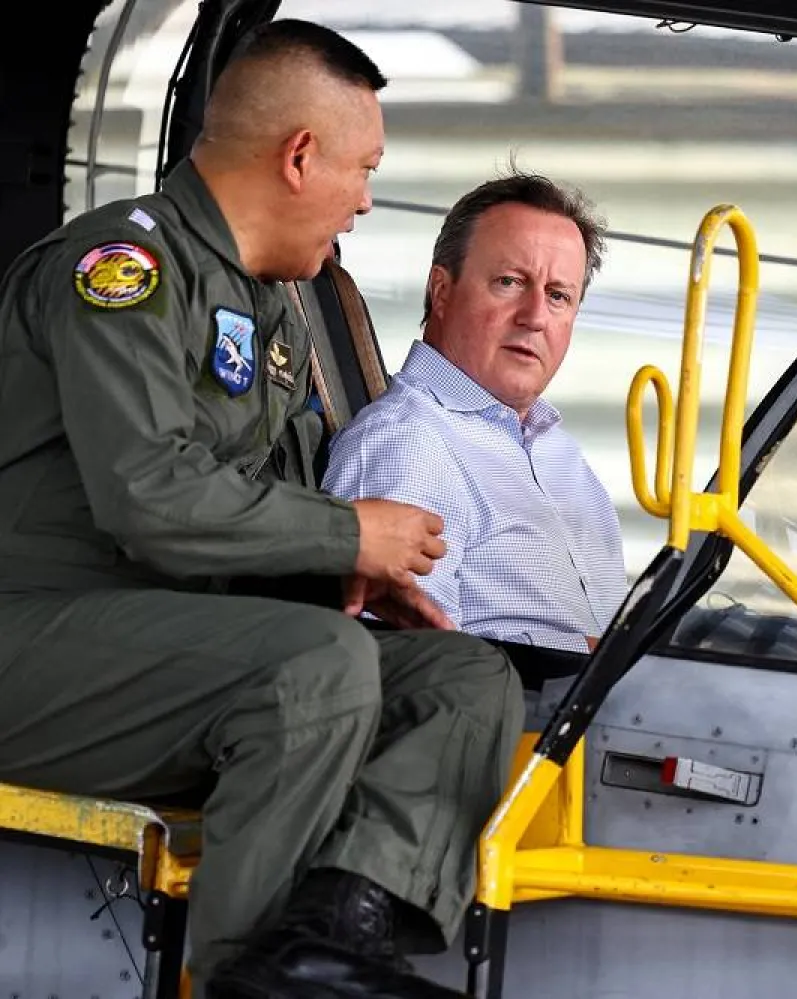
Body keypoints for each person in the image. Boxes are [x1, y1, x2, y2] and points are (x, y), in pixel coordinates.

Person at [0, 19, 521, 999]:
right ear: (298, 156)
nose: (366, 202)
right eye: (362, 170)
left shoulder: (270, 309)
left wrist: (338, 571)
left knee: (463, 678)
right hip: (30, 635)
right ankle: (249, 977)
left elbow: (240, 505)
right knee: (314, 665)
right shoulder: (125, 271)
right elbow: (151, 497)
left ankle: (334, 939)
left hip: (161, 642)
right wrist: (352, 530)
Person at [323, 172, 627, 654]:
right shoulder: (409, 443)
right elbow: (408, 666)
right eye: (509, 282)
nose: (535, 317)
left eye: (558, 296)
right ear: (441, 291)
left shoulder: (559, 452)